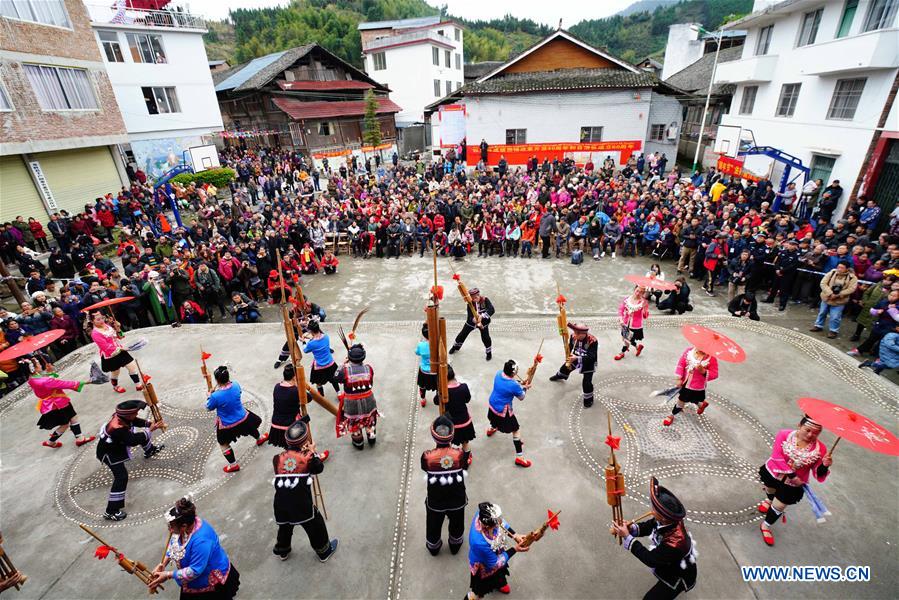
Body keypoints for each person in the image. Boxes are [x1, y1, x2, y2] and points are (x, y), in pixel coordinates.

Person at [609, 477, 697, 599]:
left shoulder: (675, 543)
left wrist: (628, 538)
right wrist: (631, 528)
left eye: (655, 509)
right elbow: (650, 525)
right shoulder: (668, 520)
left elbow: (650, 559)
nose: (652, 510)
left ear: (664, 518)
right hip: (669, 562)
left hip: (678, 575)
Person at [757, 416, 832, 546]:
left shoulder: (821, 450)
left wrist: (825, 465)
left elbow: (816, 472)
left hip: (793, 485)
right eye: (807, 430)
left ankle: (765, 525)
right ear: (799, 425)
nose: (810, 435)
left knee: (779, 506)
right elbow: (776, 456)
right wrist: (792, 475)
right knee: (770, 489)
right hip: (774, 473)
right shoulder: (784, 434)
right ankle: (769, 499)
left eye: (815, 433)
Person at [271, 419, 339, 562]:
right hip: (300, 504)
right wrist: (312, 452)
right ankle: (324, 551)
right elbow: (319, 468)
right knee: (315, 524)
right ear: (305, 442)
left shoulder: (277, 458)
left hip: (280, 503)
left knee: (285, 526)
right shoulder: (308, 458)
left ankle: (283, 550)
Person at [150, 497, 241, 598]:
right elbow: (175, 543)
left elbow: (194, 570)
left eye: (172, 527)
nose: (170, 530)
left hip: (209, 583)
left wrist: (168, 575)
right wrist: (163, 563)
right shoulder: (188, 524)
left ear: (183, 526)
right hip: (194, 581)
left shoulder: (201, 541)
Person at [96, 400, 165, 521]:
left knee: (142, 435)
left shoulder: (123, 416)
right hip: (110, 454)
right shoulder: (117, 428)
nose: (137, 414)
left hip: (115, 447)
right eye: (136, 412)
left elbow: (135, 421)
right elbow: (132, 440)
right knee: (121, 477)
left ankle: (150, 450)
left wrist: (149, 424)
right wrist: (150, 430)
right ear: (128, 415)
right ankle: (111, 511)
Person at [206, 366, 267, 473]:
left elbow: (208, 407)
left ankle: (233, 464)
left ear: (217, 380)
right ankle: (259, 438)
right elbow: (237, 394)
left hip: (227, 423)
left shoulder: (215, 396)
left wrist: (209, 396)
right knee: (250, 427)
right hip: (242, 416)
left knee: (223, 443)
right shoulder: (235, 385)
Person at [421, 415, 467, 556]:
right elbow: (464, 466)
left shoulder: (427, 457)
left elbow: (425, 468)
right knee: (457, 523)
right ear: (451, 436)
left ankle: (434, 547)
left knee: (433, 524)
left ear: (434, 437)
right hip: (457, 500)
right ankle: (455, 545)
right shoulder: (459, 455)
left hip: (436, 501)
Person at [466, 502, 530, 599]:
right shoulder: (478, 543)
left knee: (500, 572)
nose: (500, 522)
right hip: (484, 566)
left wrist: (515, 535)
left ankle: (499, 582)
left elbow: (501, 522)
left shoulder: (484, 513)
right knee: (478, 591)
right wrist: (515, 549)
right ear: (488, 526)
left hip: (496, 553)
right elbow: (495, 564)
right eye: (497, 523)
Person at [31, 363, 97, 449]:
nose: (40, 365)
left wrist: (49, 372)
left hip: (52, 403)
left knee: (73, 417)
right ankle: (50, 442)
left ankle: (79, 438)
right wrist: (84, 382)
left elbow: (49, 382)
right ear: (34, 368)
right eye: (38, 364)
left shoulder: (32, 379)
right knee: (65, 424)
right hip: (58, 403)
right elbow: (62, 383)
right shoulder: (45, 381)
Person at [486, 360, 531, 468]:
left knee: (493, 418)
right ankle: (519, 457)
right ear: (513, 372)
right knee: (516, 430)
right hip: (503, 410)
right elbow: (522, 397)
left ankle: (492, 428)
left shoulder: (498, 373)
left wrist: (520, 384)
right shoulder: (513, 385)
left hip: (493, 403)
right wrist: (525, 388)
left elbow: (509, 382)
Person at [335, 343, 378, 449]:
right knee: (370, 421)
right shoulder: (369, 368)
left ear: (349, 358)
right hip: (368, 401)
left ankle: (359, 444)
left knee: (355, 425)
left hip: (351, 403)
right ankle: (371, 439)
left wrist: (342, 364)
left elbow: (335, 377)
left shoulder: (344, 371)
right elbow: (370, 383)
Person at [663, 346, 718, 427]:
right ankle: (673, 414)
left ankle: (673, 414)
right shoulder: (689, 352)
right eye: (700, 346)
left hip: (697, 387)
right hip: (686, 382)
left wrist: (703, 371)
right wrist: (679, 377)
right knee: (682, 399)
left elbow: (715, 374)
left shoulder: (711, 359)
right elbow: (681, 363)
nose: (702, 350)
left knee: (692, 398)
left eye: (705, 349)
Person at [90, 311, 144, 394]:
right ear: (92, 321)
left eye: (102, 318)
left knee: (131, 366)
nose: (102, 321)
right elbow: (105, 347)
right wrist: (121, 349)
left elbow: (121, 336)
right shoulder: (95, 333)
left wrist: (118, 328)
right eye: (98, 319)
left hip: (120, 349)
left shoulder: (107, 326)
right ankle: (115, 386)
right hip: (110, 354)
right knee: (116, 372)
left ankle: (138, 384)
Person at [549, 323, 598, 408]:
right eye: (575, 332)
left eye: (578, 333)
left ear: (584, 334)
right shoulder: (572, 336)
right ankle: (560, 376)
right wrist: (567, 352)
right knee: (565, 368)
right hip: (575, 357)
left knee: (586, 383)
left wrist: (577, 358)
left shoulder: (592, 341)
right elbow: (570, 346)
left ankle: (589, 399)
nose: (575, 335)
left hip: (588, 362)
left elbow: (592, 357)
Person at [810, 261, 858, 339]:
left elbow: (852, 289)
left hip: (840, 300)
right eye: (838, 267)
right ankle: (818, 325)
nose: (839, 269)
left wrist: (838, 295)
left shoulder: (852, 277)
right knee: (822, 312)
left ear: (847, 269)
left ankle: (833, 330)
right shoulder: (832, 273)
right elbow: (823, 283)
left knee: (835, 316)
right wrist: (830, 293)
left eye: (842, 268)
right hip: (827, 297)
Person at [450, 288, 495, 361]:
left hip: (483, 323)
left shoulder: (485, 300)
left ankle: (489, 353)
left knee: (486, 338)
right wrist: (473, 319)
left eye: (475, 297)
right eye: (472, 297)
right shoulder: (470, 303)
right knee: (462, 335)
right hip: (471, 323)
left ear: (478, 295)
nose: (474, 299)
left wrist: (482, 316)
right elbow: (470, 316)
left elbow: (492, 310)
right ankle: (455, 347)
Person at [443, 364, 475, 467]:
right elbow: (467, 399)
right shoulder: (463, 387)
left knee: (449, 443)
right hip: (465, 422)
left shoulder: (444, 391)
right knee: (465, 443)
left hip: (451, 423)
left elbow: (436, 401)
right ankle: (465, 461)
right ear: (454, 374)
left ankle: (450, 459)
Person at [302, 320, 339, 397]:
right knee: (333, 380)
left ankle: (321, 396)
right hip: (330, 363)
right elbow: (318, 338)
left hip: (319, 366)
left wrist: (303, 341)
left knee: (318, 382)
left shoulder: (311, 343)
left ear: (311, 331)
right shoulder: (326, 337)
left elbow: (305, 350)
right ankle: (339, 393)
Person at [616, 285, 649, 361]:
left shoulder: (644, 302)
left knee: (627, 340)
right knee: (624, 338)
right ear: (634, 290)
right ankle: (638, 347)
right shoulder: (627, 299)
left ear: (643, 293)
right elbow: (621, 310)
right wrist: (621, 319)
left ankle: (621, 353)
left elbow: (645, 316)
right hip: (625, 323)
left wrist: (644, 309)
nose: (638, 293)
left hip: (635, 326)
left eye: (641, 292)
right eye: (637, 291)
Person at [416, 323, 438, 407]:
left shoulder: (421, 345)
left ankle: (423, 399)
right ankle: (438, 398)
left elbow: (417, 352)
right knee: (438, 386)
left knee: (422, 386)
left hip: (424, 371)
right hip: (435, 370)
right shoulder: (437, 344)